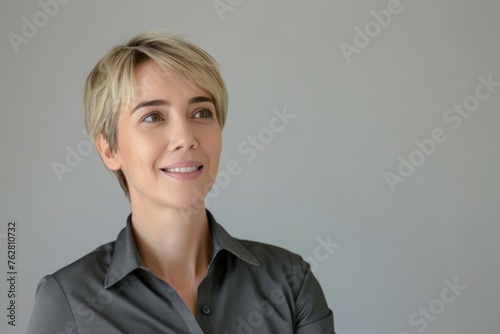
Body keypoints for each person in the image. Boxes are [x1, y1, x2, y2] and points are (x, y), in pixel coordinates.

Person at [27, 31, 335, 334]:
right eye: (153, 117)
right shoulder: (67, 301)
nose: (186, 138)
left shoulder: (291, 282)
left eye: (201, 112)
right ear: (110, 149)